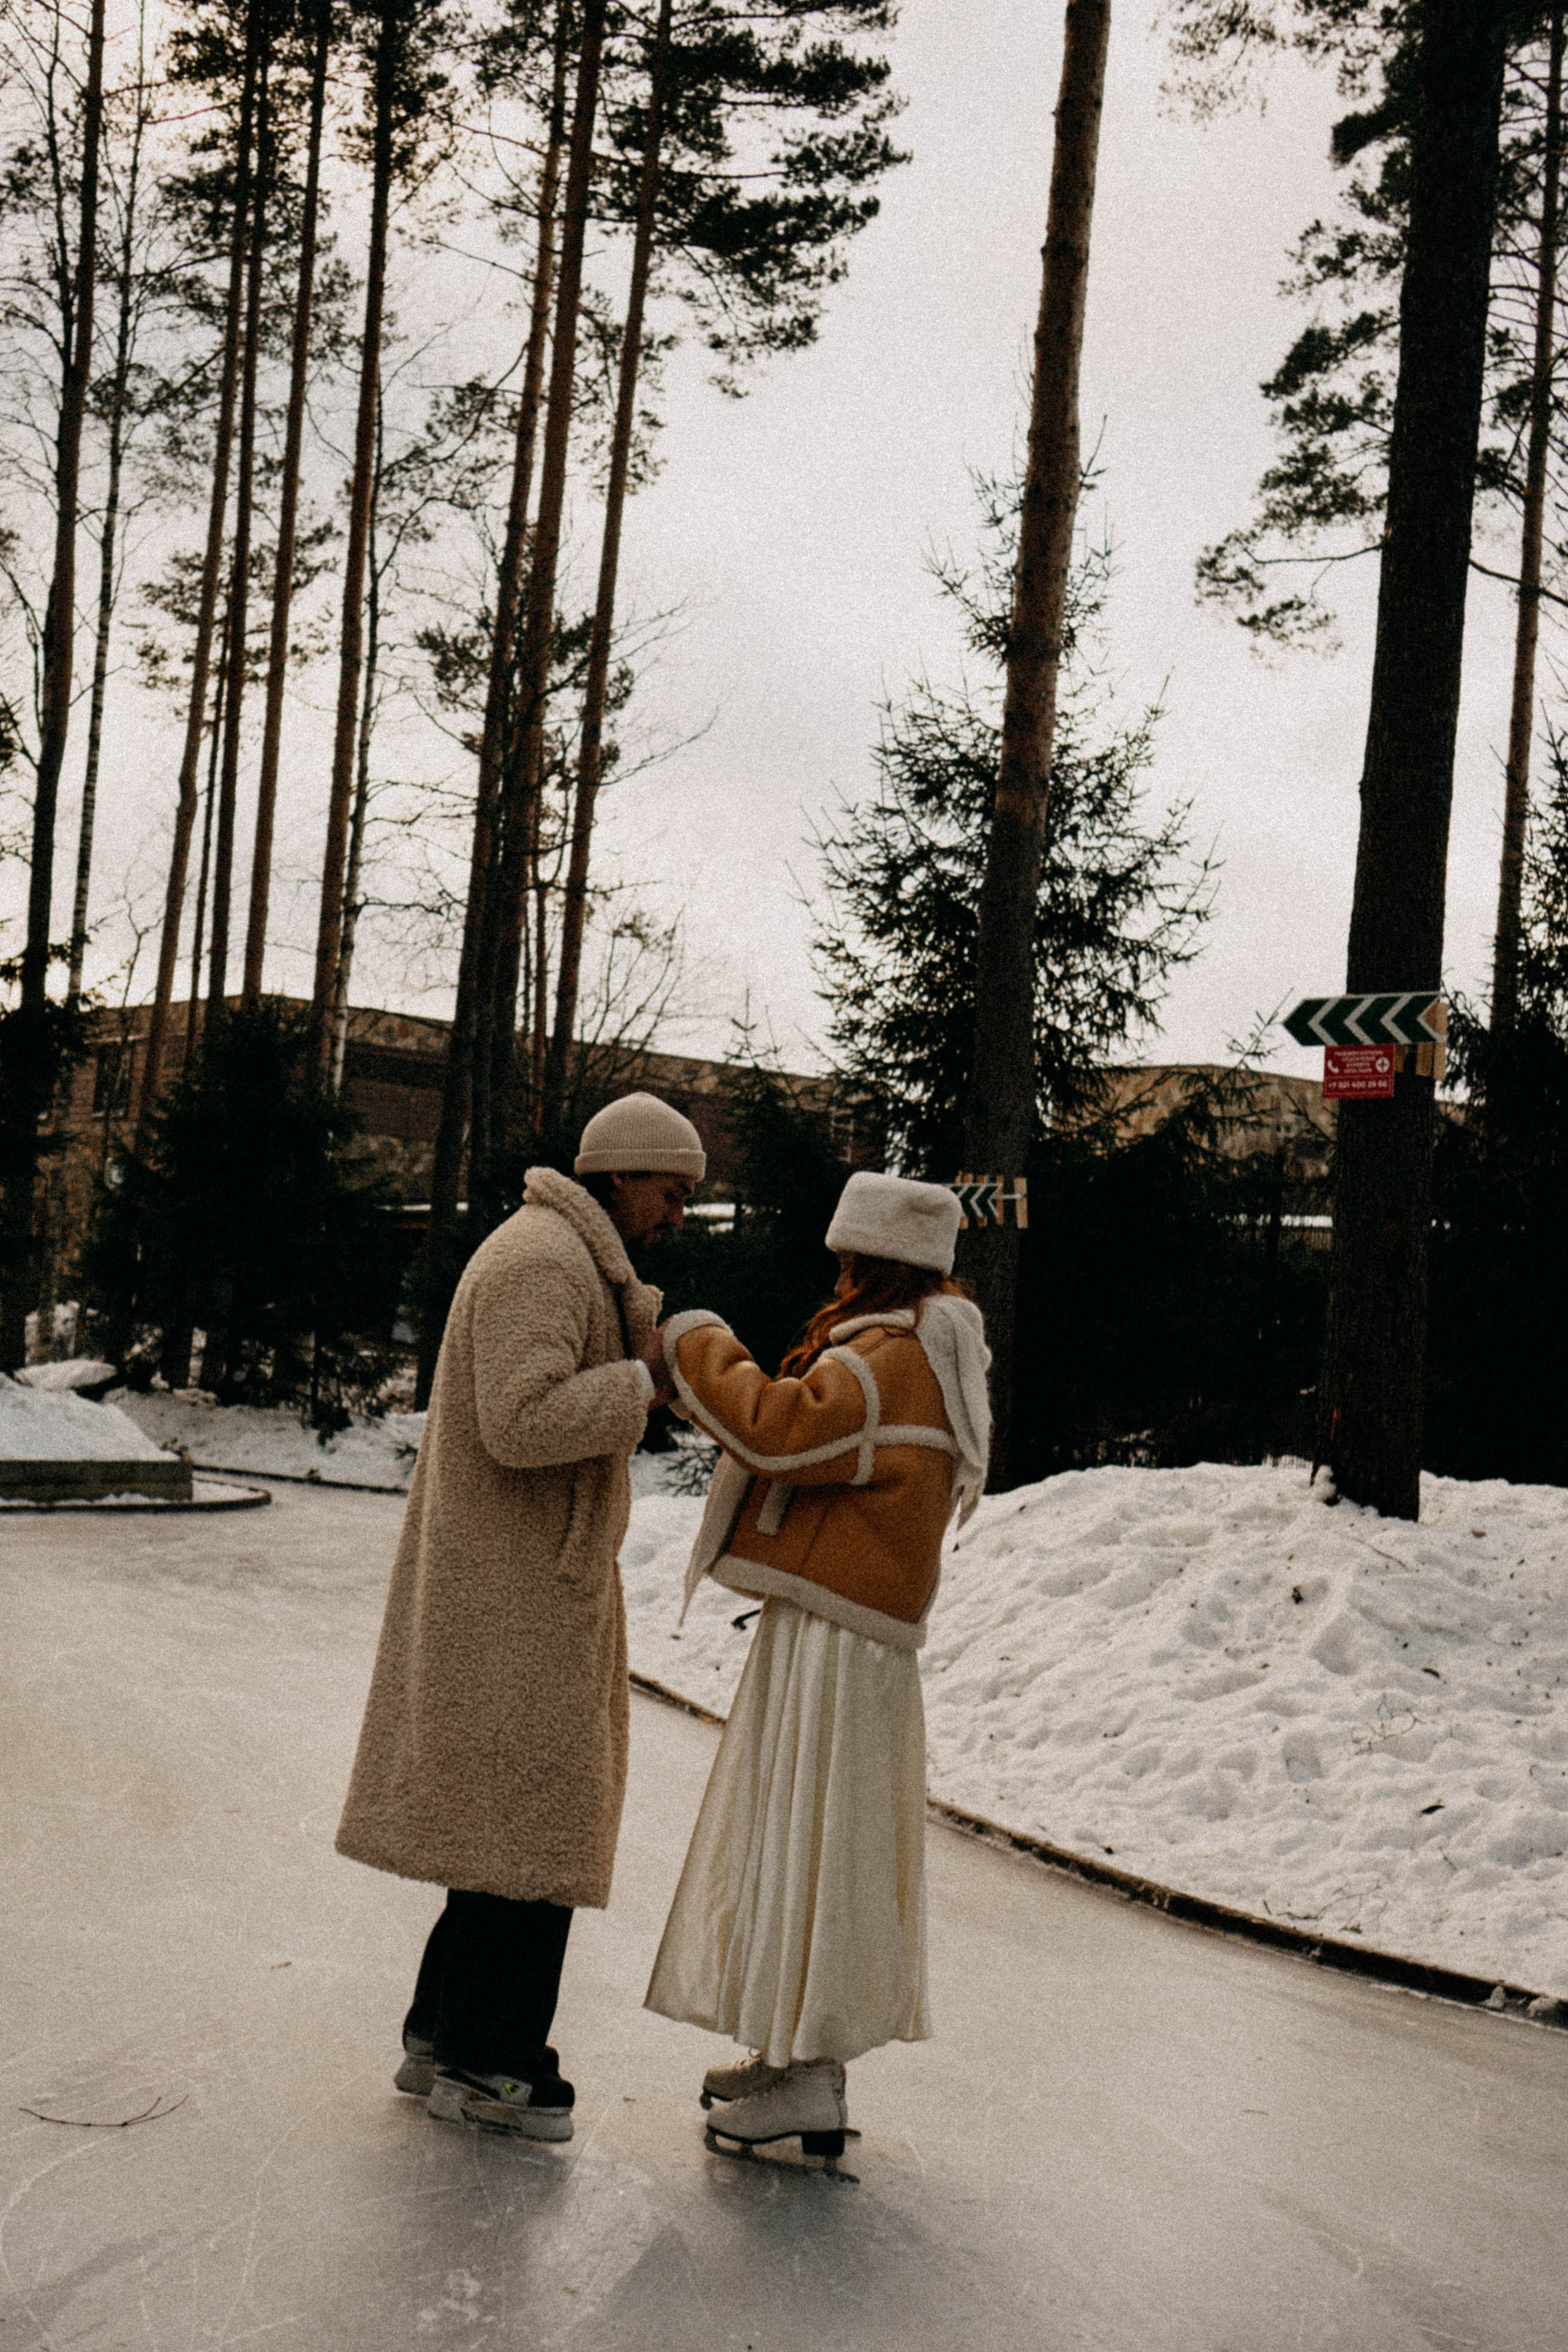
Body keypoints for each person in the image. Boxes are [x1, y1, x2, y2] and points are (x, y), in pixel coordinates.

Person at [335, 1091, 704, 2141]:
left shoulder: (556, 1253)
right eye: (671, 1192)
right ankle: (492, 2061)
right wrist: (646, 1378)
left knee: (506, 1826)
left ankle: (442, 2034)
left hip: (522, 1587)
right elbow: (521, 1419)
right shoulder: (543, 1261)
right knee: (534, 1826)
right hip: (515, 1598)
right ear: (621, 1176)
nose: (677, 1214)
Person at [641, 1169, 990, 2173]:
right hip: (851, 1634)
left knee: (815, 1846)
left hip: (841, 1644)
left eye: (848, 1259)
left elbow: (777, 1430)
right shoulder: (937, 1346)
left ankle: (812, 2071)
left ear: (875, 1261)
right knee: (813, 1843)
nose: (835, 1275)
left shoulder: (893, 1356)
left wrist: (696, 1337)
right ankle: (793, 2055)